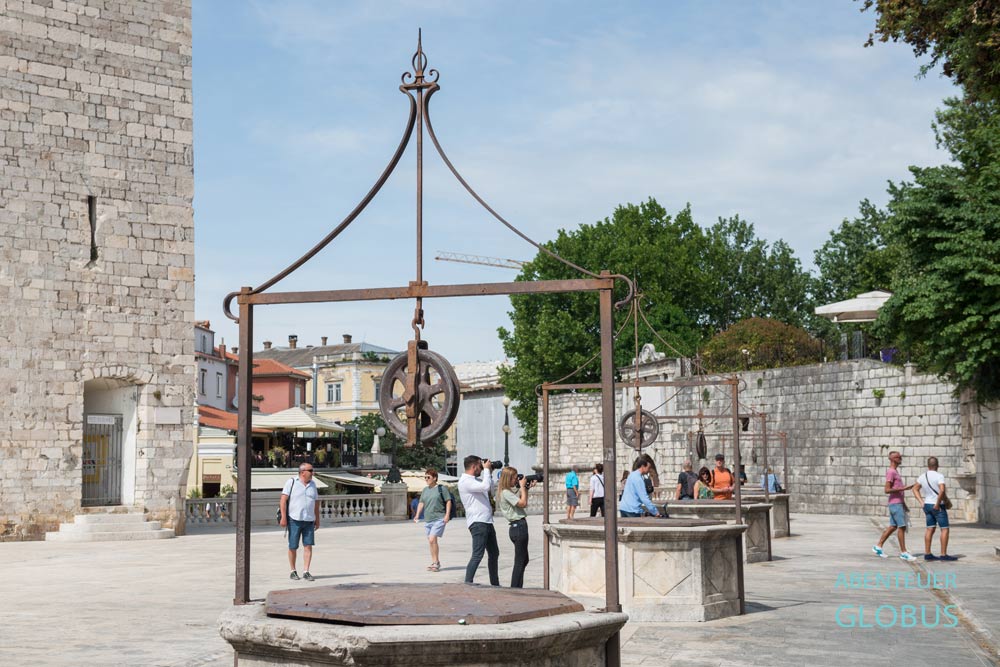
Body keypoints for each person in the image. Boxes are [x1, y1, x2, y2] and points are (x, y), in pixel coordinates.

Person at [458, 455, 500, 585]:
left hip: (486, 521)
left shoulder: (476, 480)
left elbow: (491, 491)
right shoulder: (465, 481)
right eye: (480, 466)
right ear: (474, 466)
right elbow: (485, 487)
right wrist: (487, 470)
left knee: (494, 553)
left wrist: (490, 473)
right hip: (478, 523)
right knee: (478, 554)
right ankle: (468, 582)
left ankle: (495, 583)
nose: (482, 469)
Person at [873, 451, 918, 561]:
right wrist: (904, 488)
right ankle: (903, 552)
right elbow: (887, 490)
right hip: (895, 504)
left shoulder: (895, 471)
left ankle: (878, 546)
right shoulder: (891, 472)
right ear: (893, 459)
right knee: (901, 527)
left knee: (893, 526)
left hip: (897, 503)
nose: (900, 458)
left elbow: (897, 491)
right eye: (898, 457)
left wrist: (904, 504)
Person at [279, 463, 320, 581]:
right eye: (311, 470)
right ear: (303, 472)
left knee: (308, 545)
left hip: (309, 520)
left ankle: (306, 571)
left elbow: (316, 503)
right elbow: (283, 500)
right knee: (293, 546)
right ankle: (293, 570)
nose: (313, 473)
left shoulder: (313, 484)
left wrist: (317, 519)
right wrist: (283, 517)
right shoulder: (291, 482)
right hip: (294, 519)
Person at [913, 457, 956, 561]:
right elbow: (942, 490)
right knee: (944, 529)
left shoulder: (922, 476)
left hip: (927, 504)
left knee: (930, 528)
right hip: (937, 506)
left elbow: (915, 489)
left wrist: (922, 502)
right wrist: (937, 503)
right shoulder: (939, 476)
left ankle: (928, 553)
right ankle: (943, 554)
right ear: (937, 465)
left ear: (928, 466)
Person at [496, 467, 531, 587]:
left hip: (518, 527)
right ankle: (515, 588)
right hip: (518, 527)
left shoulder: (506, 492)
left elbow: (521, 500)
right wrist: (522, 486)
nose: (517, 480)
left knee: (524, 559)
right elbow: (523, 503)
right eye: (515, 478)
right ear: (509, 478)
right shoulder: (505, 492)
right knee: (520, 562)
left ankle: (518, 586)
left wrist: (525, 488)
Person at [414, 468, 452, 572]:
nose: (426, 479)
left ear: (434, 478)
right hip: (428, 519)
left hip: (439, 518)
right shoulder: (425, 490)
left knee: (432, 539)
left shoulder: (441, 488)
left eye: (428, 477)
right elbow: (421, 503)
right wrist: (417, 515)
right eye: (425, 477)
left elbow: (448, 501)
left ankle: (436, 563)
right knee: (431, 542)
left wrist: (447, 515)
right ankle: (435, 561)